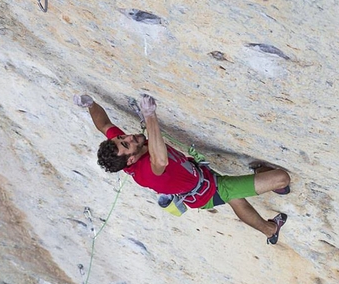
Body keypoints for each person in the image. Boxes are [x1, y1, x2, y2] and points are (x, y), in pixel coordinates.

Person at [74, 94, 291, 245]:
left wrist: (90, 104)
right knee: (281, 178)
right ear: (130, 160)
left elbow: (103, 125)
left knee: (237, 199)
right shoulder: (144, 172)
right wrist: (150, 116)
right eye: (126, 143)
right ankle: (267, 195)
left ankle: (270, 231)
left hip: (201, 179)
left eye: (122, 138)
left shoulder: (123, 152)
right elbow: (160, 161)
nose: (128, 137)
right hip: (208, 190)